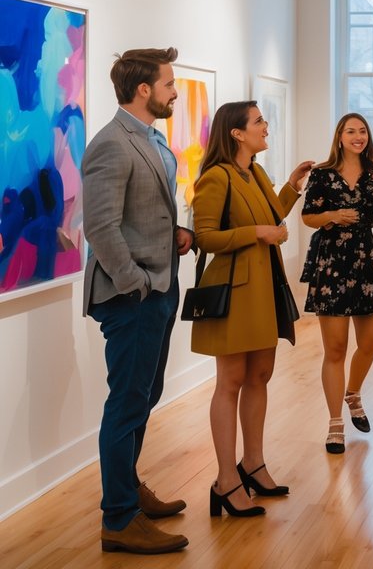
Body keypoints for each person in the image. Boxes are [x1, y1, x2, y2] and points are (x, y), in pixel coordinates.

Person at [82, 47, 192, 554]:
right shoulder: (111, 143)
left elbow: (147, 211)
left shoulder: (150, 139)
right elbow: (100, 227)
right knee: (126, 403)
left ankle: (128, 488)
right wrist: (135, 282)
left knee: (143, 398)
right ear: (144, 89)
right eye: (169, 83)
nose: (174, 90)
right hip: (133, 295)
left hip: (158, 287)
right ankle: (119, 518)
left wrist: (178, 232)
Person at [191, 101, 313, 518]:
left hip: (263, 288)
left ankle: (253, 464)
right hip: (235, 291)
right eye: (259, 121)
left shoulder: (256, 172)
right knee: (231, 380)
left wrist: (292, 189)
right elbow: (205, 237)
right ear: (237, 134)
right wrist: (256, 233)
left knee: (260, 375)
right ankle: (226, 480)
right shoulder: (215, 177)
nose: (266, 127)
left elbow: (270, 215)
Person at [300, 113, 373, 455]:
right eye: (351, 131)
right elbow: (308, 215)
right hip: (332, 263)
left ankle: (353, 391)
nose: (358, 136)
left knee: (371, 341)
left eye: (363, 131)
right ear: (339, 136)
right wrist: (331, 217)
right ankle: (335, 424)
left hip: (365, 260)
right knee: (335, 348)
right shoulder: (322, 174)